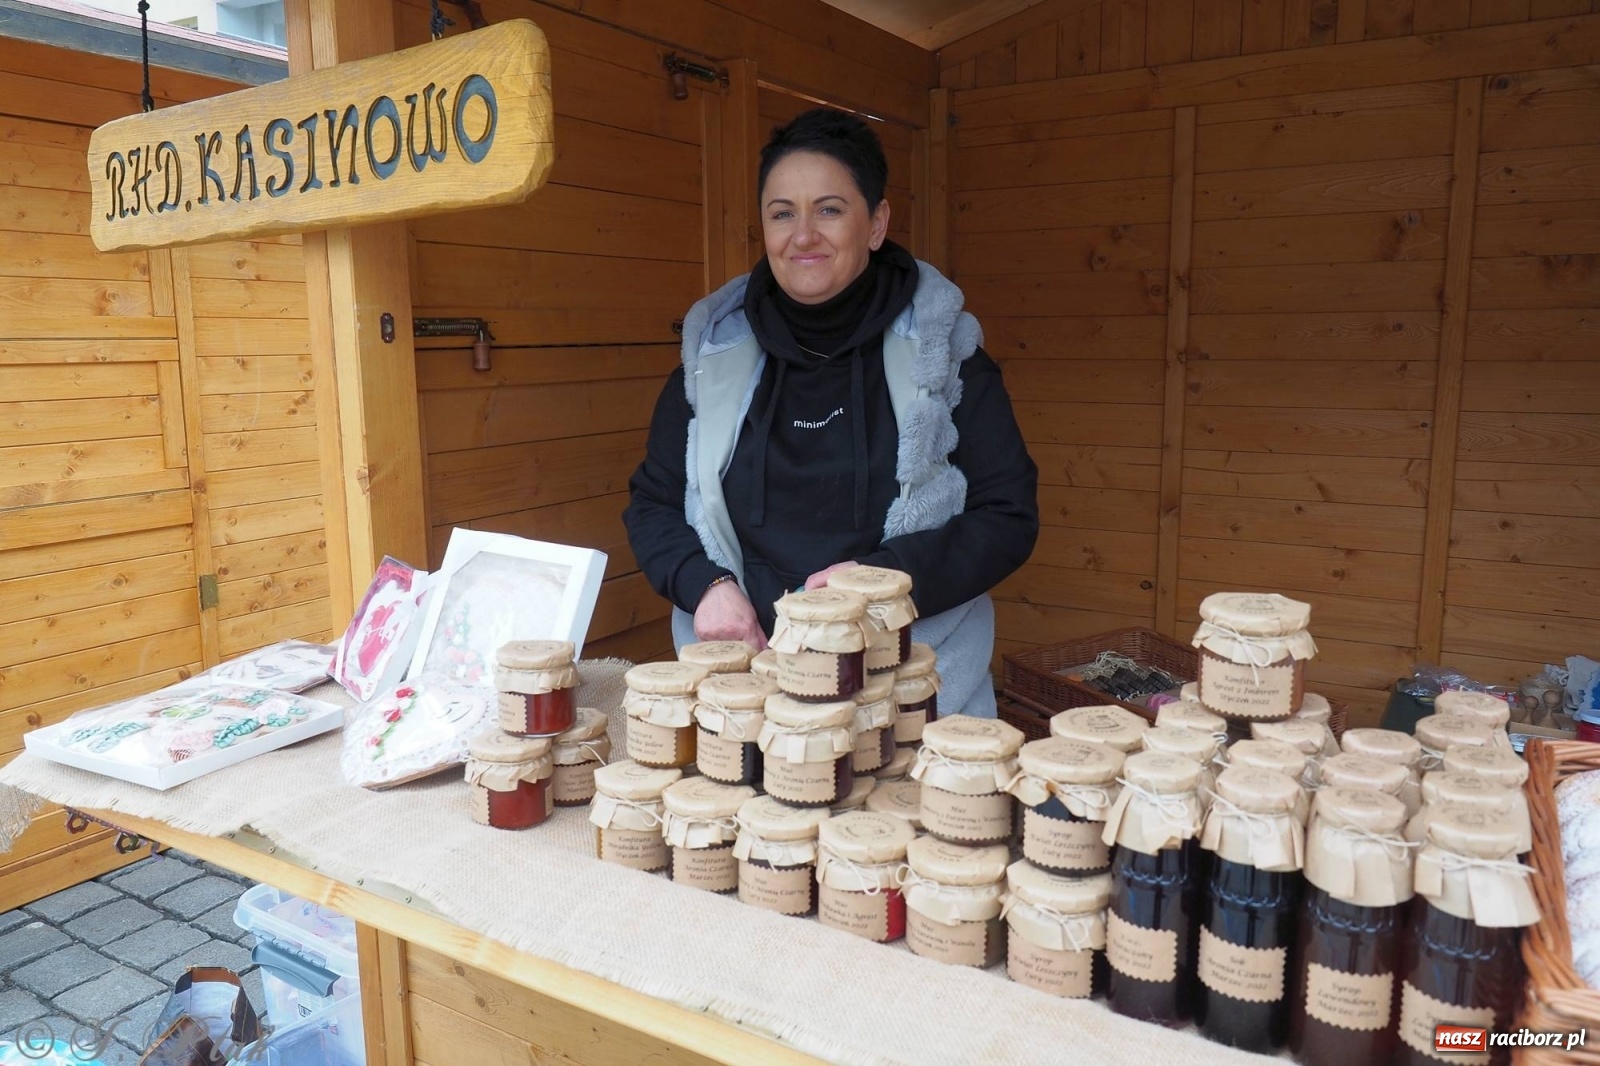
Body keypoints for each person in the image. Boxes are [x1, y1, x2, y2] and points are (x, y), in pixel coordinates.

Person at [622, 107, 1038, 717]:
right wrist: (704, 585)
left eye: (830, 209)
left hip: (912, 692)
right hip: (744, 691)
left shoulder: (946, 357)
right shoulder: (710, 361)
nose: (803, 234)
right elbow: (653, 503)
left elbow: (1008, 515)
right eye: (782, 212)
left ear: (876, 223)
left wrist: (879, 582)